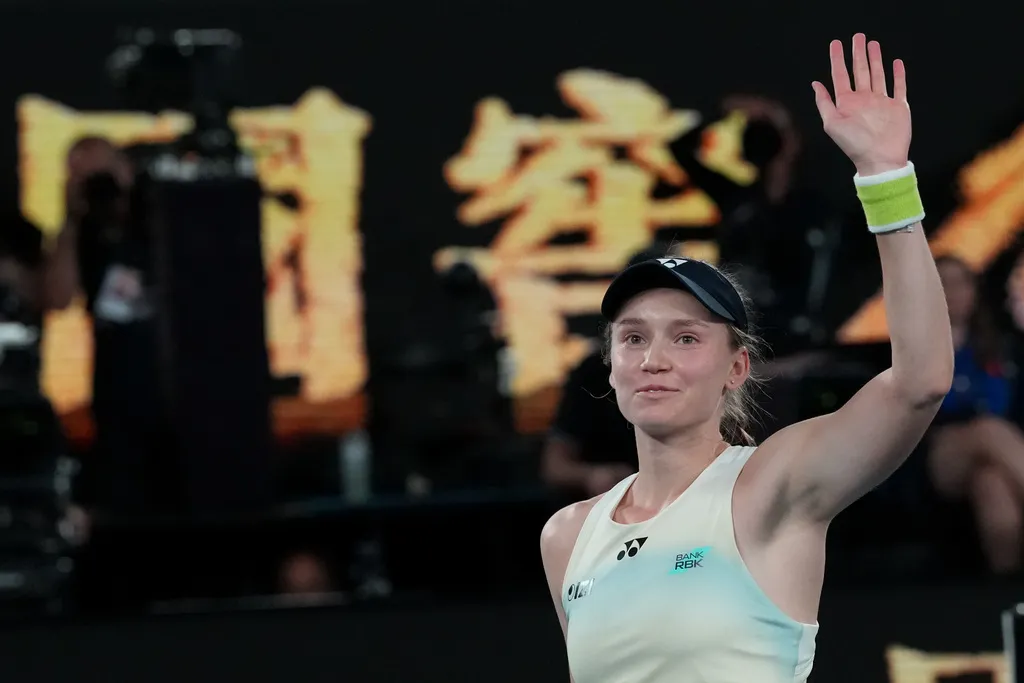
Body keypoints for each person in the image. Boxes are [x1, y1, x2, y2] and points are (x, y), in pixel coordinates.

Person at [540, 34, 953, 682]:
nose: (654, 358)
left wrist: (885, 177)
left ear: (736, 368)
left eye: (686, 338)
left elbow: (919, 382)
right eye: (633, 337)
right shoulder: (568, 534)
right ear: (611, 363)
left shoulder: (770, 485)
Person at [44, 136, 177, 517]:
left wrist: (131, 196)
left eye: (103, 174)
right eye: (85, 178)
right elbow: (57, 298)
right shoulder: (84, 231)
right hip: (116, 385)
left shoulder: (158, 214)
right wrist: (71, 217)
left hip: (174, 379)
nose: (100, 186)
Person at [928, 255, 1024, 574]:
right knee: (987, 429)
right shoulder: (912, 348)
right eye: (944, 283)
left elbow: (1005, 405)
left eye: (961, 283)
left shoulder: (999, 346)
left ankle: (1007, 587)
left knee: (991, 482)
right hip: (940, 452)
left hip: (996, 450)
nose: (954, 291)